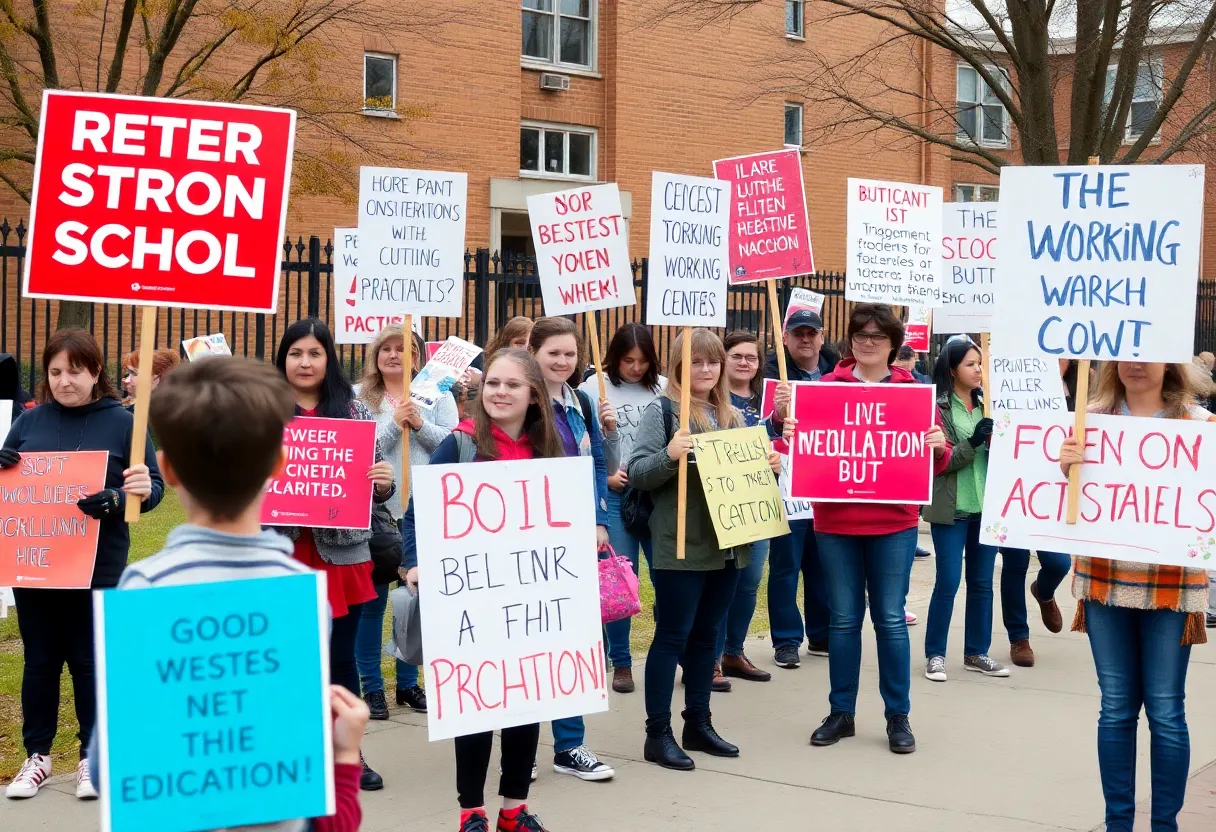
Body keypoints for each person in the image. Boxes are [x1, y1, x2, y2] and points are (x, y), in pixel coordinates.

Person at [87, 355, 367, 832]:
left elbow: (108, 764)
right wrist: (344, 753)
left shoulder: (142, 587)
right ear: (280, 462)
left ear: (166, 469)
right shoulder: (301, 595)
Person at [400, 348, 562, 832]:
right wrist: (412, 561)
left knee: (525, 701)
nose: (499, 392)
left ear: (533, 395)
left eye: (511, 385)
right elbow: (418, 514)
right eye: (492, 383)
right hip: (470, 601)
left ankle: (515, 808)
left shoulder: (551, 450)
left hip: (529, 600)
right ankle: (471, 811)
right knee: (473, 705)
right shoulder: (460, 445)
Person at [2, 329, 164, 800]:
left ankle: (92, 758)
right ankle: (37, 758)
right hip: (37, 566)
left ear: (96, 372)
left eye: (75, 370)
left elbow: (150, 488)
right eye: (55, 372)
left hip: (98, 565)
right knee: (40, 663)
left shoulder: (124, 424)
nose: (64, 381)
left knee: (90, 664)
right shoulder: (28, 424)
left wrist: (120, 497)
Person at [1060, 359, 1213, 832]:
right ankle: (1118, 825)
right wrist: (1066, 468)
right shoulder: (1090, 420)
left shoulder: (1202, 426)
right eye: (1125, 353)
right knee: (1116, 707)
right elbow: (1058, 499)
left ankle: (1164, 825)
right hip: (1104, 578)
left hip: (1173, 584)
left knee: (1166, 709)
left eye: (1147, 352)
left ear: (1171, 363)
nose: (1135, 364)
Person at [629, 328, 789, 771]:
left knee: (707, 638)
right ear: (680, 365)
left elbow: (749, 480)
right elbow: (639, 472)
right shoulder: (661, 412)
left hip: (728, 545)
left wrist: (770, 464)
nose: (706, 369)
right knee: (673, 636)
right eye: (696, 361)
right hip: (681, 544)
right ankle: (657, 734)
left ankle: (697, 722)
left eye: (712, 362)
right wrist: (669, 455)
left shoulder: (731, 415)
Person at [804, 304, 949, 755]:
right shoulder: (823, 388)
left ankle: (897, 716)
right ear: (849, 340)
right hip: (836, 522)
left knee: (889, 619)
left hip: (894, 523)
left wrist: (939, 447)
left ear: (893, 344)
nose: (868, 342)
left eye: (877, 336)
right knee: (844, 620)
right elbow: (800, 448)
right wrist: (782, 425)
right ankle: (841, 712)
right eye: (860, 334)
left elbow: (937, 463)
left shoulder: (915, 392)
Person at [272, 318, 396, 792]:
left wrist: (380, 485)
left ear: (329, 360)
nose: (305, 362)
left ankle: (347, 752)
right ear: (282, 358)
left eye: (315, 353)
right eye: (296, 353)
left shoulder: (352, 412)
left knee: (340, 659)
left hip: (340, 555)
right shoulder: (264, 412)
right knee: (289, 657)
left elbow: (369, 491)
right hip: (282, 552)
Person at [528, 316, 616, 781]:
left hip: (575, 535)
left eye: (569, 354)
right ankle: (518, 749)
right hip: (524, 539)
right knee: (524, 642)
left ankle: (570, 746)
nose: (562, 361)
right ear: (533, 351)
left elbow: (598, 461)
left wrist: (599, 519)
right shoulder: (518, 398)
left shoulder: (580, 400)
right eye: (553, 353)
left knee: (571, 641)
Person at [355, 326, 457, 718]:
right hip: (375, 517)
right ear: (376, 355)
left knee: (414, 604)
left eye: (404, 348)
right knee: (372, 606)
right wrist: (391, 421)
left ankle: (408, 684)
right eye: (387, 349)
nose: (395, 355)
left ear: (418, 356)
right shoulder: (358, 397)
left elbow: (452, 446)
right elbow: (358, 451)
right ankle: (372, 687)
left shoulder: (438, 395)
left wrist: (419, 423)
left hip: (422, 515)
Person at [578, 321, 666, 694]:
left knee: (668, 580)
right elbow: (583, 447)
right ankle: (622, 662)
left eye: (643, 361)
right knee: (618, 581)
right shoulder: (591, 388)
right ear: (615, 357)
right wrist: (608, 476)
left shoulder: (663, 389)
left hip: (657, 495)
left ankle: (671, 652)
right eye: (628, 360)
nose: (635, 368)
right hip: (615, 496)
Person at [921, 337, 1008, 682]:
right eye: (971, 363)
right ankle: (935, 655)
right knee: (948, 581)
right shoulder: (938, 408)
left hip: (987, 508)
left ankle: (976, 652)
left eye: (981, 363)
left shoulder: (989, 404)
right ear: (952, 367)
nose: (978, 370)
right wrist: (973, 442)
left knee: (983, 583)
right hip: (952, 507)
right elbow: (941, 462)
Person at [764, 309, 834, 668]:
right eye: (798, 334)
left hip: (824, 485)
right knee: (785, 566)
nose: (805, 339)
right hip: (787, 487)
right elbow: (765, 428)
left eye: (812, 333)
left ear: (822, 337)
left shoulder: (838, 376)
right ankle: (787, 640)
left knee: (822, 565)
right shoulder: (771, 378)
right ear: (786, 338)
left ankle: (822, 635)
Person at [1000, 356, 1076, 668]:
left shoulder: (1079, 395)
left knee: (1059, 563)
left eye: (1064, 357)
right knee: (1015, 564)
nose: (1059, 362)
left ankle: (1043, 593)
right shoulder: (1012, 387)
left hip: (1051, 492)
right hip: (1013, 489)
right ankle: (1019, 637)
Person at [716, 330, 774, 685]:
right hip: (722, 503)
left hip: (759, 501)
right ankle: (708, 657)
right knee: (722, 583)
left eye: (750, 357)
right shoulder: (712, 398)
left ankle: (733, 651)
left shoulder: (768, 401)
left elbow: (782, 440)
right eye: (736, 355)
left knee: (750, 583)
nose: (743, 363)